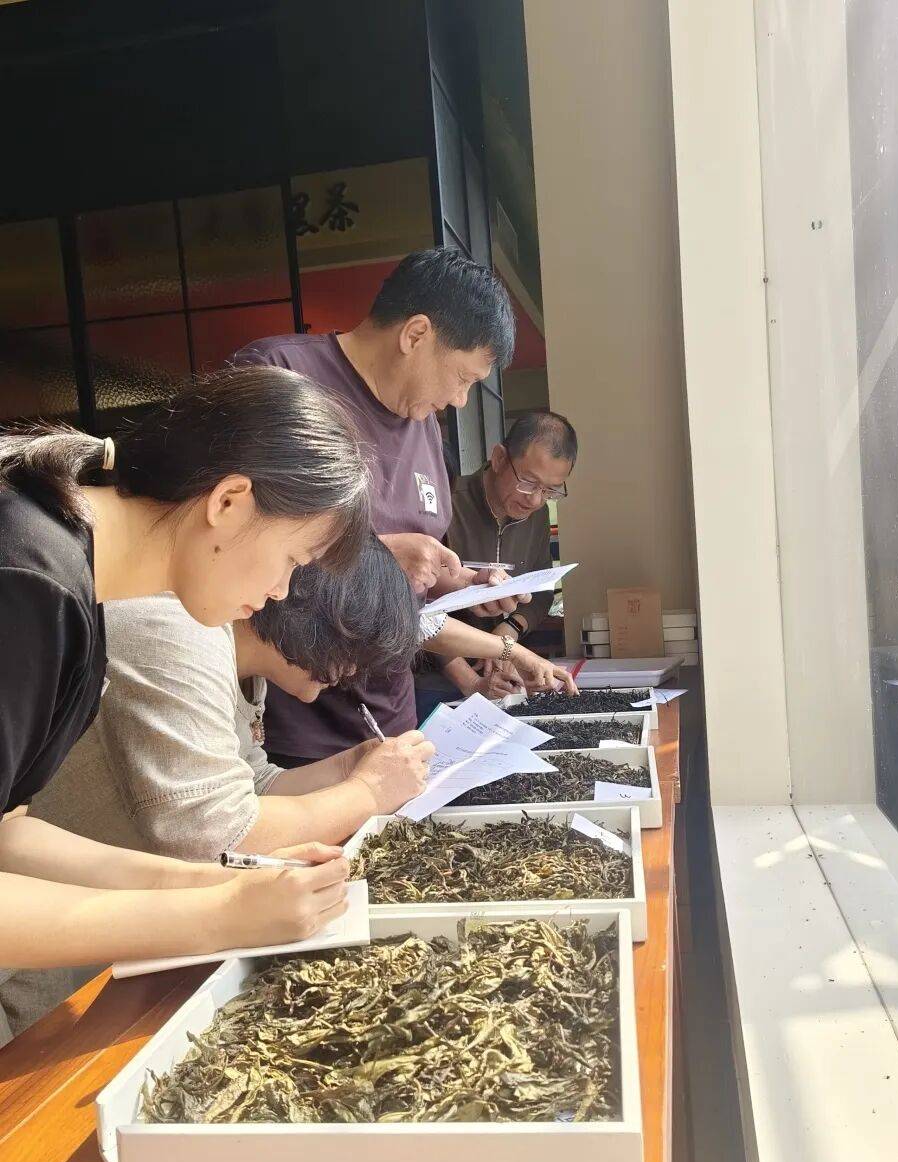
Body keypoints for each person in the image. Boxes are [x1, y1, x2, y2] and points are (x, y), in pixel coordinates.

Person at [0, 365, 370, 1045]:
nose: (284, 592)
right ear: (229, 501)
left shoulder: (77, 583)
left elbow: (10, 834)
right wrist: (219, 917)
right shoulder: (29, 581)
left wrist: (215, 887)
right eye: (294, 559)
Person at [235, 247, 576, 765]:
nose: (461, 400)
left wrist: (456, 585)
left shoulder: (425, 428)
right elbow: (233, 548)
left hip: (392, 721)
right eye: (462, 378)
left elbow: (408, 603)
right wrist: (374, 556)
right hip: (296, 735)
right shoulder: (278, 377)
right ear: (416, 335)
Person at [28, 536, 432, 861]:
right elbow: (213, 830)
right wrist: (368, 792)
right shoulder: (180, 632)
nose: (352, 674)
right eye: (354, 652)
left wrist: (349, 767)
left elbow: (253, 786)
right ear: (324, 613)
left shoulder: (245, 665)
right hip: (59, 922)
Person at [440, 410, 577, 700]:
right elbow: (416, 608)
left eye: (549, 490)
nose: (535, 500)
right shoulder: (447, 503)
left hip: (500, 673)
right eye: (528, 482)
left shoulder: (536, 516)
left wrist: (510, 629)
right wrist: (469, 682)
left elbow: (541, 593)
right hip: (437, 679)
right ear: (500, 458)